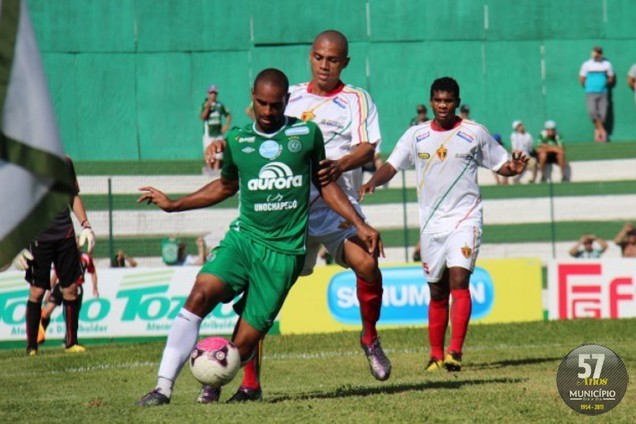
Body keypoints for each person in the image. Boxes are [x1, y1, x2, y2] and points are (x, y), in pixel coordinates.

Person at [135, 68, 383, 407]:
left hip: (283, 255)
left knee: (243, 345)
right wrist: (175, 204)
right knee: (200, 294)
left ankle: (227, 384)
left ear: (286, 102)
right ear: (252, 98)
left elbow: (325, 185)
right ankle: (162, 389)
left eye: (275, 105)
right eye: (262, 104)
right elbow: (225, 186)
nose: (268, 112)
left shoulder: (306, 134)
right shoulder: (238, 140)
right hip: (244, 240)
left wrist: (360, 224)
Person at [205, 30, 392, 402]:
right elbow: (257, 130)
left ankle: (369, 337)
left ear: (345, 63)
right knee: (255, 301)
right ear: (311, 57)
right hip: (287, 212)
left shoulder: (357, 100)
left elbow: (369, 146)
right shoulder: (290, 97)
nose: (325, 66)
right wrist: (223, 142)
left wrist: (342, 164)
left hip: (336, 205)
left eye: (334, 60)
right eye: (320, 58)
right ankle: (248, 384)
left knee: (369, 264)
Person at [359, 77, 527, 373]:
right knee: (437, 291)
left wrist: (513, 169)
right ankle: (435, 356)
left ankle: (455, 353)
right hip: (431, 225)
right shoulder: (416, 135)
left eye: (448, 101)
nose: (442, 106)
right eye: (438, 100)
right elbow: (392, 164)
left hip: (465, 218)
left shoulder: (474, 133)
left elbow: (502, 163)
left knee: (459, 280)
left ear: (457, 102)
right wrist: (374, 179)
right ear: (431, 100)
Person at [13, 156, 95, 355]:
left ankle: (71, 342)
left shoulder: (65, 162)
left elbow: (73, 196)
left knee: (71, 289)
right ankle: (32, 346)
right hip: (38, 237)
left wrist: (85, 226)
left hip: (65, 235)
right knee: (37, 292)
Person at [39, 249, 98, 344]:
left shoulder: (85, 257)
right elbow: (55, 275)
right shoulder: (62, 255)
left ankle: (69, 339)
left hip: (76, 287)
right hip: (61, 285)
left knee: (72, 316)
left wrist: (95, 287)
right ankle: (40, 334)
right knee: (46, 312)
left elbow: (93, 272)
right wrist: (49, 291)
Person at [579, 46, 614, 142]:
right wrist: (589, 86)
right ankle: (603, 132)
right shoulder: (586, 64)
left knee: (603, 115)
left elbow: (611, 77)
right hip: (590, 92)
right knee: (592, 112)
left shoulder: (607, 64)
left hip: (603, 92)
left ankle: (598, 132)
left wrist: (603, 84)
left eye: (599, 53)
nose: (597, 54)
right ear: (592, 53)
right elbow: (582, 78)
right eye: (595, 52)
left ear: (601, 54)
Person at [200, 85, 232, 172]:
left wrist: (226, 125)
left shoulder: (219, 105)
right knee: (209, 153)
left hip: (218, 133)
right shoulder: (205, 105)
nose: (213, 95)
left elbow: (228, 114)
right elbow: (202, 117)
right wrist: (207, 107)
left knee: (218, 154)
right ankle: (209, 171)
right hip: (208, 133)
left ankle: (216, 171)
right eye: (211, 93)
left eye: (214, 93)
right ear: (208, 94)